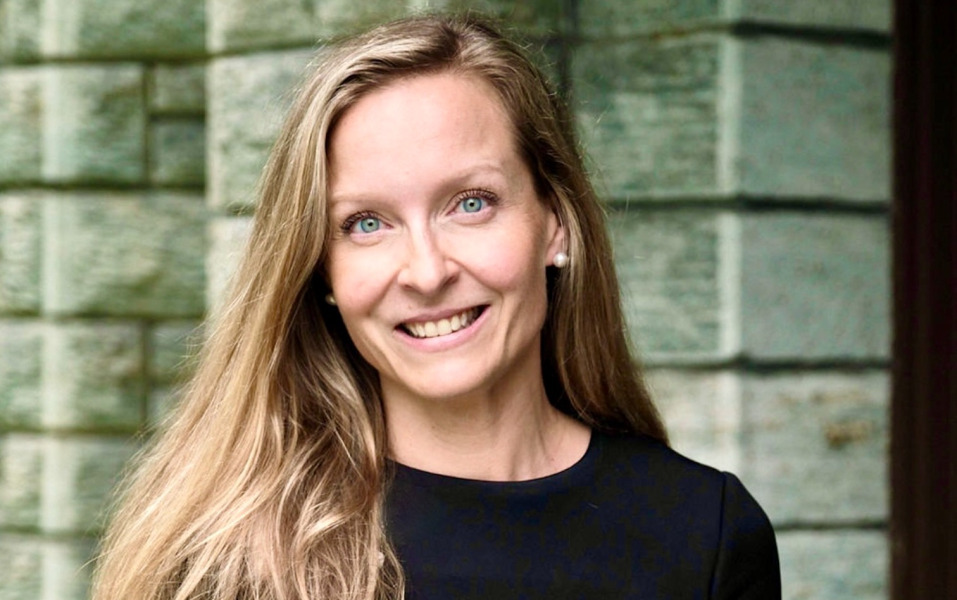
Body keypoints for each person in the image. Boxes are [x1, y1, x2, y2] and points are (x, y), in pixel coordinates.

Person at [92, 13, 780, 600]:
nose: (425, 271)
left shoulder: (704, 533)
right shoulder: (234, 558)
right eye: (366, 223)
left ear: (555, 223)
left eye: (470, 204)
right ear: (321, 270)